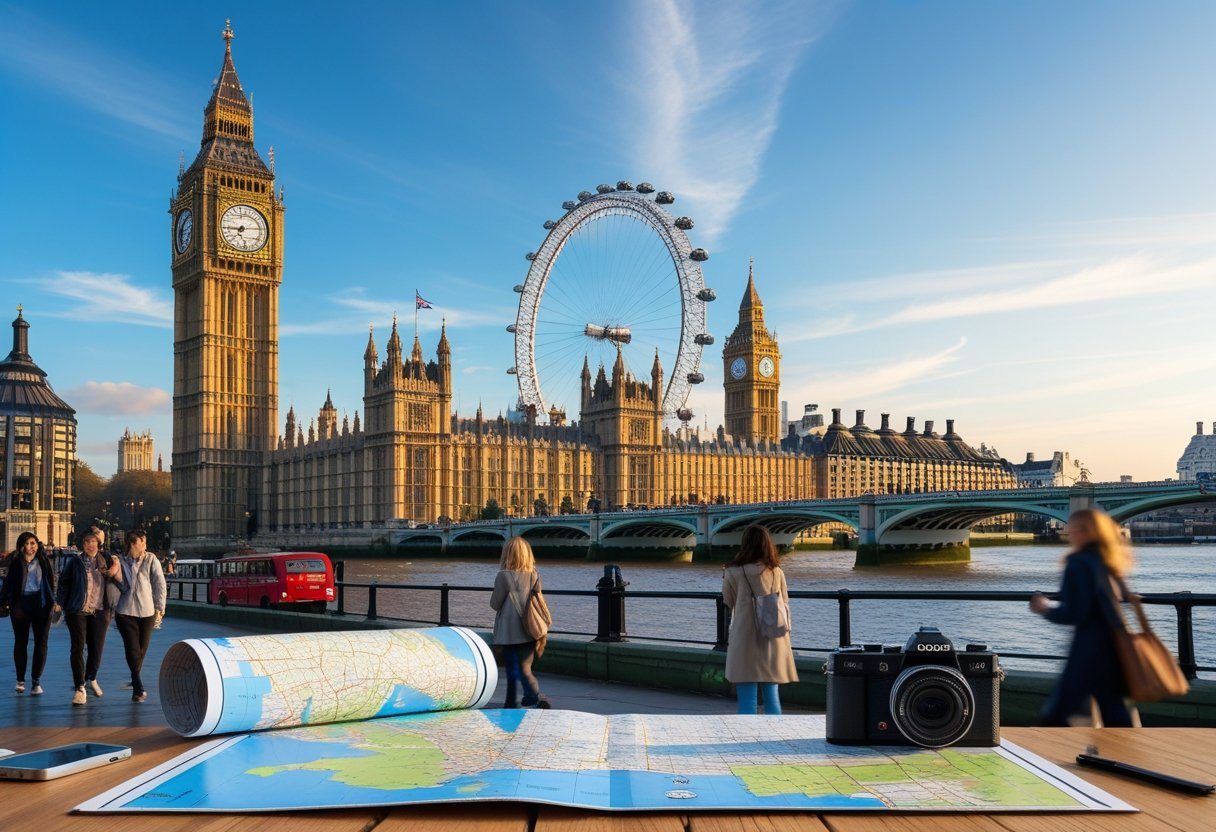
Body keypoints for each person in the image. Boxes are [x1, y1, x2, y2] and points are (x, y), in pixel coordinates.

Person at [1030, 508, 1135, 727]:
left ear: (1085, 532)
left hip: (1088, 649)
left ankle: (1046, 760)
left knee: (1057, 716)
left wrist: (1045, 608)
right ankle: (1127, 756)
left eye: (1074, 529)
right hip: (1114, 646)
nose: (1069, 534)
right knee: (1115, 713)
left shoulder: (1078, 563)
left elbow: (1076, 612)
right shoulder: (1109, 561)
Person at [722, 525, 797, 714]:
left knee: (747, 700)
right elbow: (785, 602)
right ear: (767, 544)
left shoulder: (733, 571)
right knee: (772, 697)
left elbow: (727, 602)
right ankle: (774, 738)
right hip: (772, 634)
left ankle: (747, 738)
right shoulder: (777, 571)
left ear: (745, 543)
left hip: (744, 636)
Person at [56, 529, 122, 705]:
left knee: (96, 648)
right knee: (77, 648)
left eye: (93, 542)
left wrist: (113, 567)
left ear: (98, 544)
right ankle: (80, 688)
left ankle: (91, 677)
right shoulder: (74, 562)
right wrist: (60, 602)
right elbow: (63, 583)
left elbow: (119, 577)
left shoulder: (107, 560)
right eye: (87, 542)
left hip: (100, 610)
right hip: (77, 610)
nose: (90, 545)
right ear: (82, 544)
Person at [490, 537, 547, 709]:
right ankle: (531, 697)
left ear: (507, 555)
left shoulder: (503, 576)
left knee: (511, 669)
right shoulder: (535, 576)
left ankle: (513, 701)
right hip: (530, 628)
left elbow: (494, 604)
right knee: (525, 668)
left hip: (509, 631)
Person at [0, 532, 57, 696]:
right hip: (21, 604)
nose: (31, 547)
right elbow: (8, 585)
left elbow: (51, 582)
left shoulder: (44, 561)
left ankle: (36, 681)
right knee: (21, 642)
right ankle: (20, 680)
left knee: (41, 642)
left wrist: (53, 602)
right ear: (21, 546)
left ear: (37, 545)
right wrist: (5, 603)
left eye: (33, 543)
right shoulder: (16, 563)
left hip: (41, 604)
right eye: (27, 544)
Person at [113, 530, 166, 703]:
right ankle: (138, 687)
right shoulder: (119, 561)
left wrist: (160, 606)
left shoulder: (151, 559)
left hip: (147, 612)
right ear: (133, 543)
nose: (145, 545)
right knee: (132, 649)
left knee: (141, 650)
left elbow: (159, 583)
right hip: (125, 611)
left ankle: (135, 680)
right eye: (142, 542)